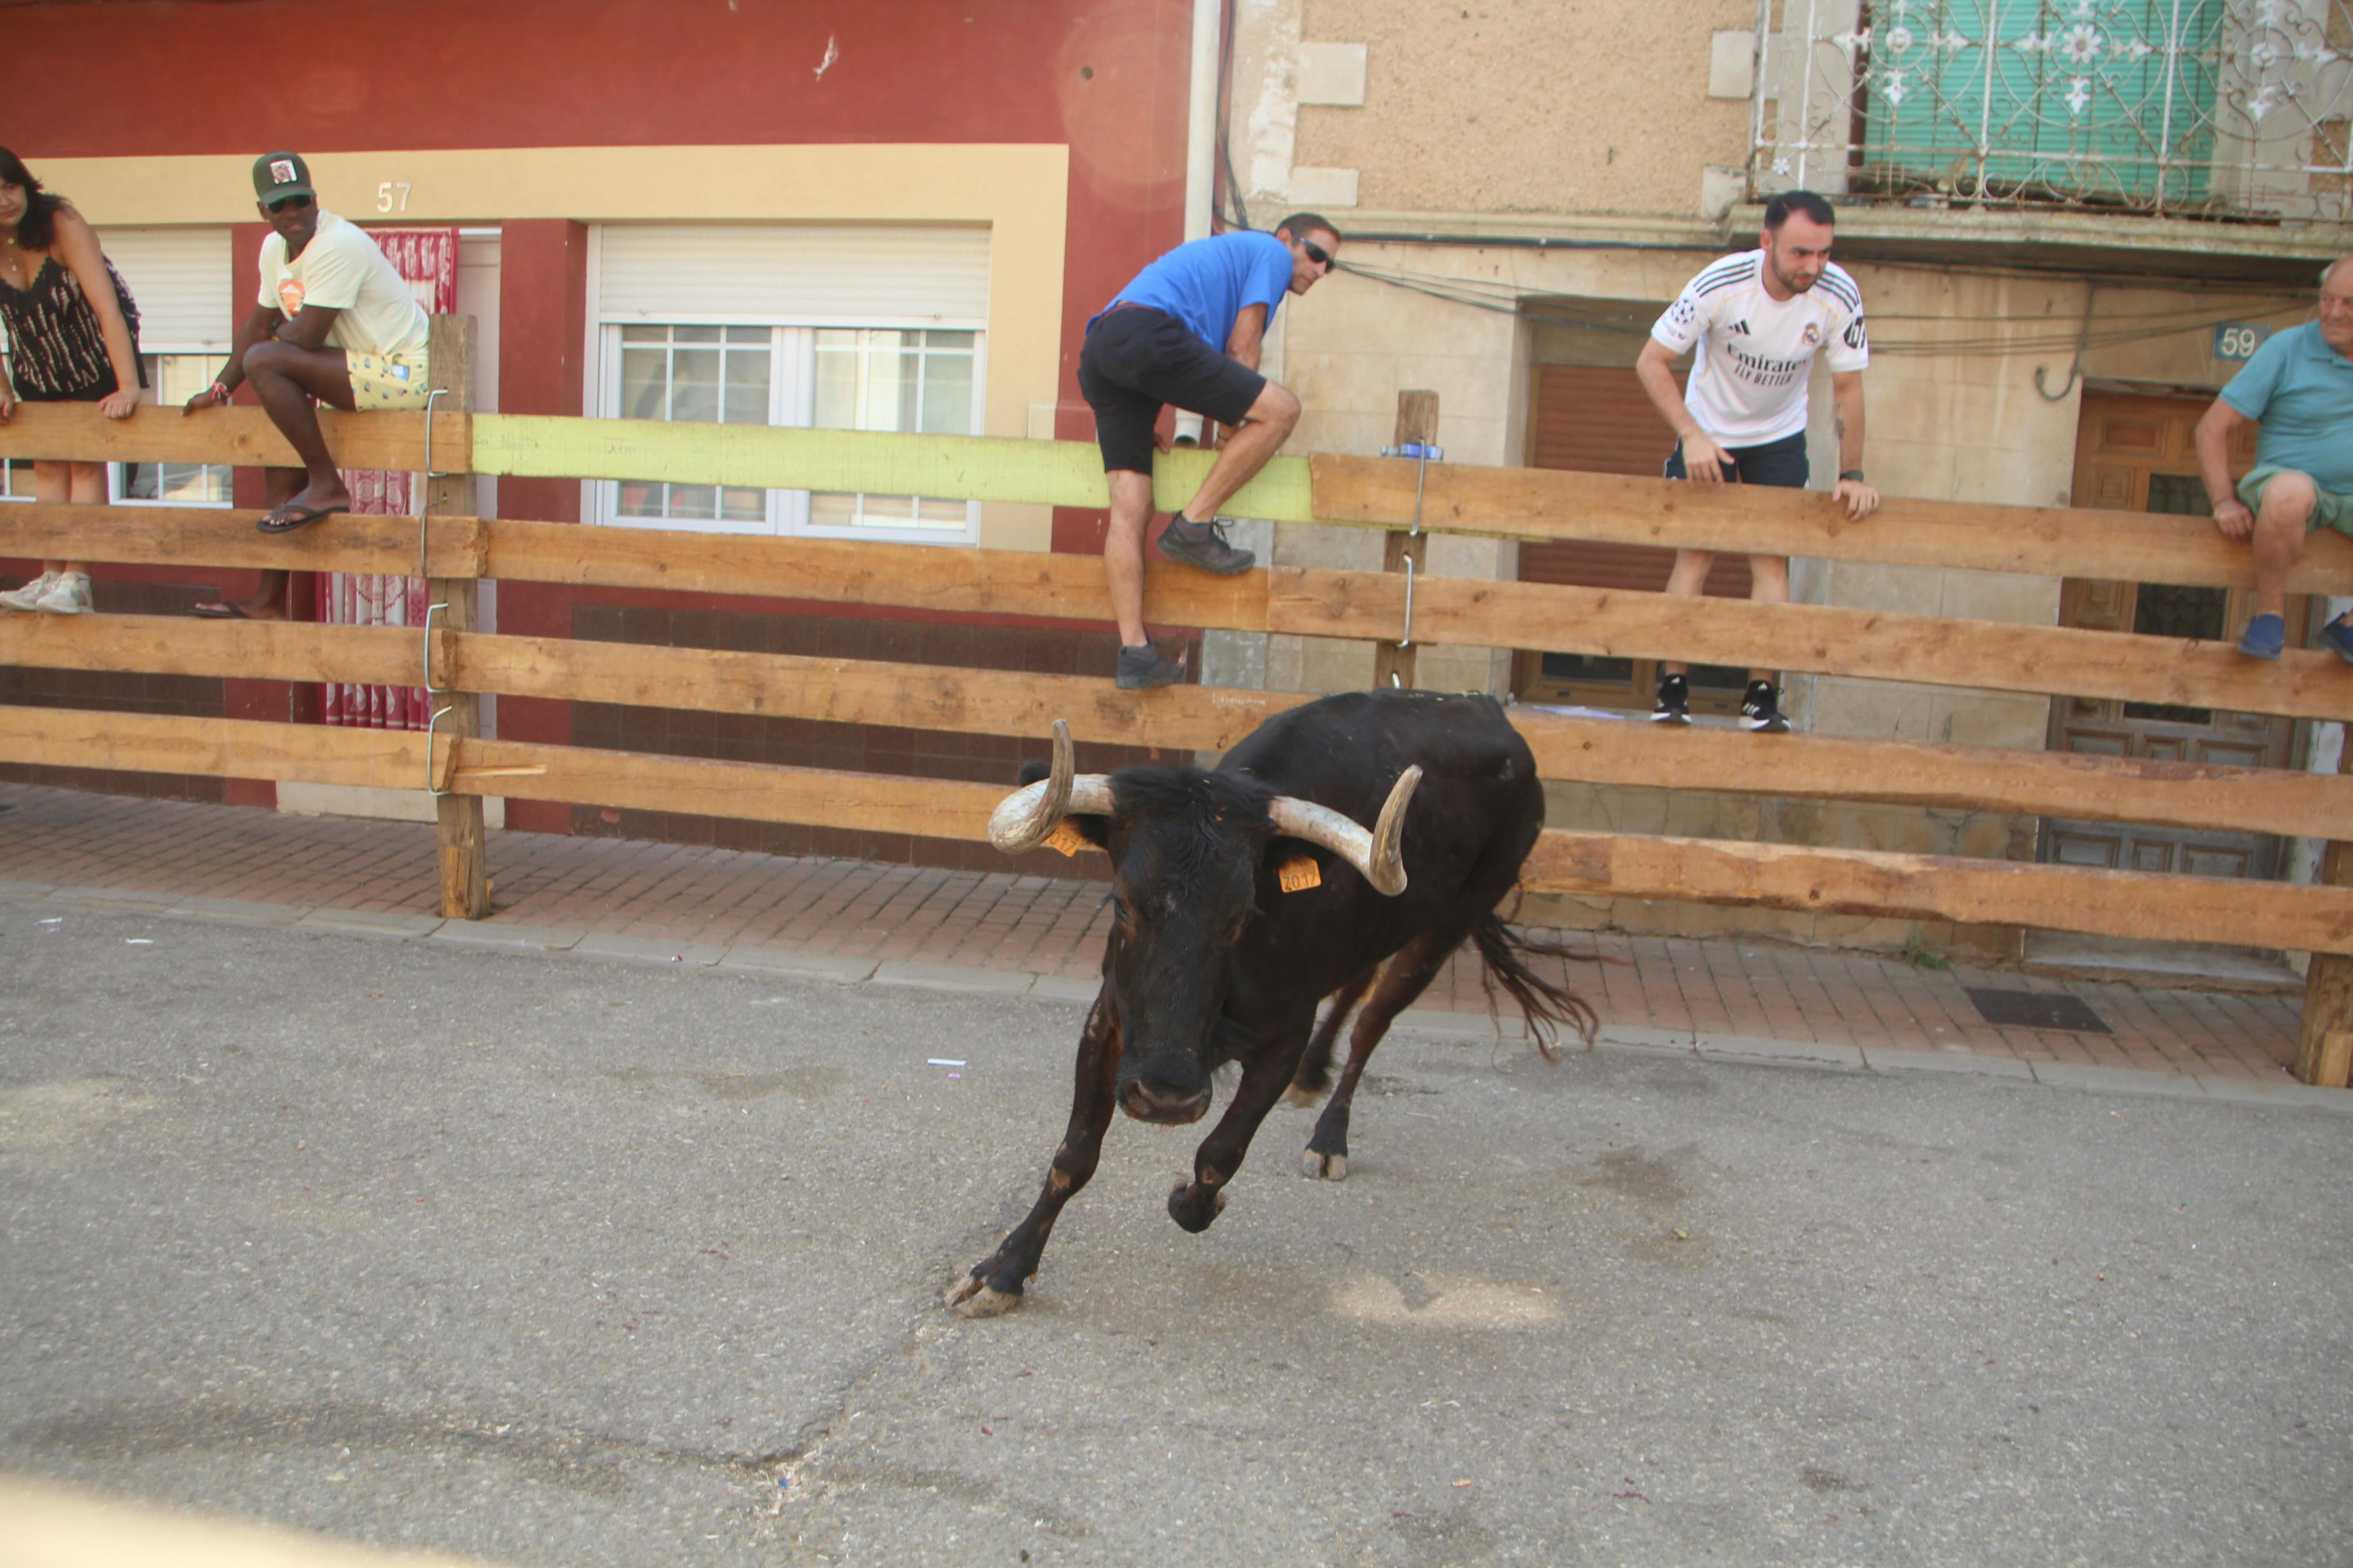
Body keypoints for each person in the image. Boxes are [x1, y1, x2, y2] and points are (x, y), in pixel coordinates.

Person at [1635, 189, 1879, 732]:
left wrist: (1852, 474)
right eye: (1800, 253)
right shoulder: (1721, 283)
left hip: (1779, 434)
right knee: (1696, 555)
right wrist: (1691, 435)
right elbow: (1651, 361)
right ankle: (1672, 689)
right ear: (1767, 241)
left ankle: (1760, 697)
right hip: (1709, 429)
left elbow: (1848, 389)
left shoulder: (1838, 293)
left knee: (1771, 561)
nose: (1812, 266)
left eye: (1823, 253)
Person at [1077, 215, 1339, 688]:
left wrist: (1147, 423)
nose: (1320, 270)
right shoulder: (1270, 253)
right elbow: (1242, 349)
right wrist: (1227, 436)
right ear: (1286, 239)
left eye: (1330, 266)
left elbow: (1193, 368)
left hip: (1104, 348)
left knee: (1130, 506)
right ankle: (1193, 524)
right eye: (1316, 254)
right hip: (1146, 334)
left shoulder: (1226, 264)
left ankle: (1135, 652)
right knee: (1282, 410)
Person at [183, 152, 432, 620]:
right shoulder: (271, 251)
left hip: (405, 373)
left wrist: (270, 349)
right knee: (281, 465)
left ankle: (327, 485)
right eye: (280, 205)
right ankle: (267, 601)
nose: (293, 212)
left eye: (301, 200)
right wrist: (219, 388)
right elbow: (261, 323)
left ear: (316, 200)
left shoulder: (339, 244)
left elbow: (306, 337)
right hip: (358, 370)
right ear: (263, 211)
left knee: (266, 361)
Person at [0, 147, 145, 616]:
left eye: (10, 186)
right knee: (46, 466)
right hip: (36, 362)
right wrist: (2, 387)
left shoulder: (61, 222)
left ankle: (77, 580)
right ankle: (49, 576)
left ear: (26, 184)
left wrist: (128, 385)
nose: (5, 200)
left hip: (93, 356)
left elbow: (108, 308)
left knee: (84, 464)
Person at [2196, 255, 2353, 664]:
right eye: (2327, 299)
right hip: (2290, 488)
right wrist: (2224, 501)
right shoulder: (2287, 348)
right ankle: (2269, 615)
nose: (2333, 313)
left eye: (2349, 303)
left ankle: (2349, 626)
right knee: (2288, 493)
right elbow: (2211, 428)